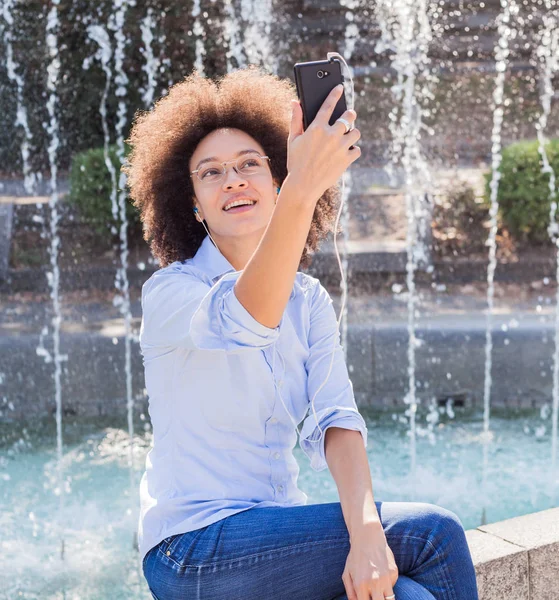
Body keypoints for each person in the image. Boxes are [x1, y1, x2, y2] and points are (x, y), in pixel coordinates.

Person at [123, 65, 479, 600]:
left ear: (273, 180)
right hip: (190, 550)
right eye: (211, 173)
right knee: (433, 535)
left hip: (270, 542)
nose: (235, 180)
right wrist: (303, 188)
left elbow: (337, 419)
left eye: (250, 165)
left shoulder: (307, 299)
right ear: (192, 204)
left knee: (407, 594)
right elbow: (247, 316)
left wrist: (366, 534)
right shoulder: (170, 293)